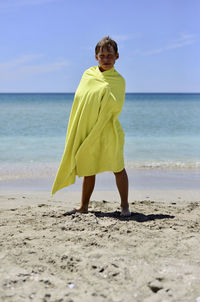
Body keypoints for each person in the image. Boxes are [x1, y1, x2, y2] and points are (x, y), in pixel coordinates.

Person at [52, 36, 131, 217]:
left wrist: (105, 94)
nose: (106, 59)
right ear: (96, 57)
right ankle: (83, 206)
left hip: (109, 128)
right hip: (89, 129)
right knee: (88, 167)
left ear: (117, 56)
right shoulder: (88, 75)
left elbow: (116, 105)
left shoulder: (119, 80)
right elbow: (81, 100)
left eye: (109, 55)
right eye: (102, 55)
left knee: (118, 167)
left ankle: (125, 206)